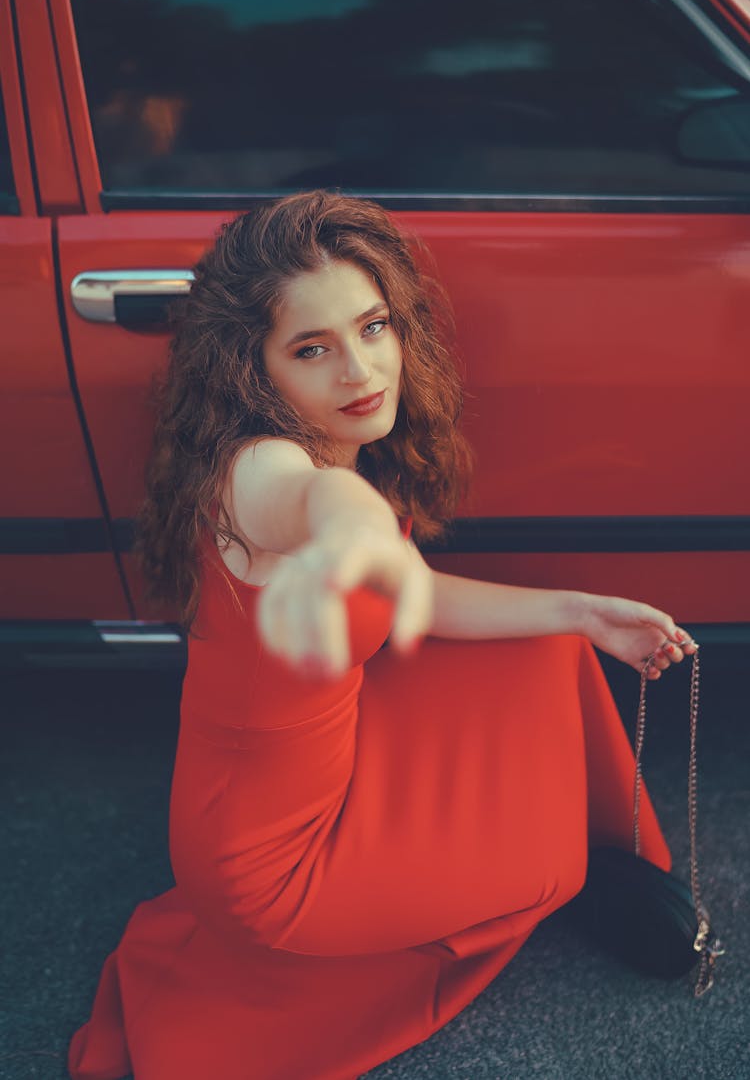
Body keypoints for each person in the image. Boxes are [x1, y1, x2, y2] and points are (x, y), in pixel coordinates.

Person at [68, 191, 697, 1080]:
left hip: (307, 766)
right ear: (255, 371)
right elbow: (316, 503)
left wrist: (584, 611)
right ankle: (573, 871)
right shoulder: (258, 469)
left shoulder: (327, 438)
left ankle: (594, 858)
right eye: (311, 349)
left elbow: (422, 595)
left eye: (372, 328)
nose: (360, 370)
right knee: (543, 860)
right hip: (272, 859)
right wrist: (356, 524)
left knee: (550, 644)